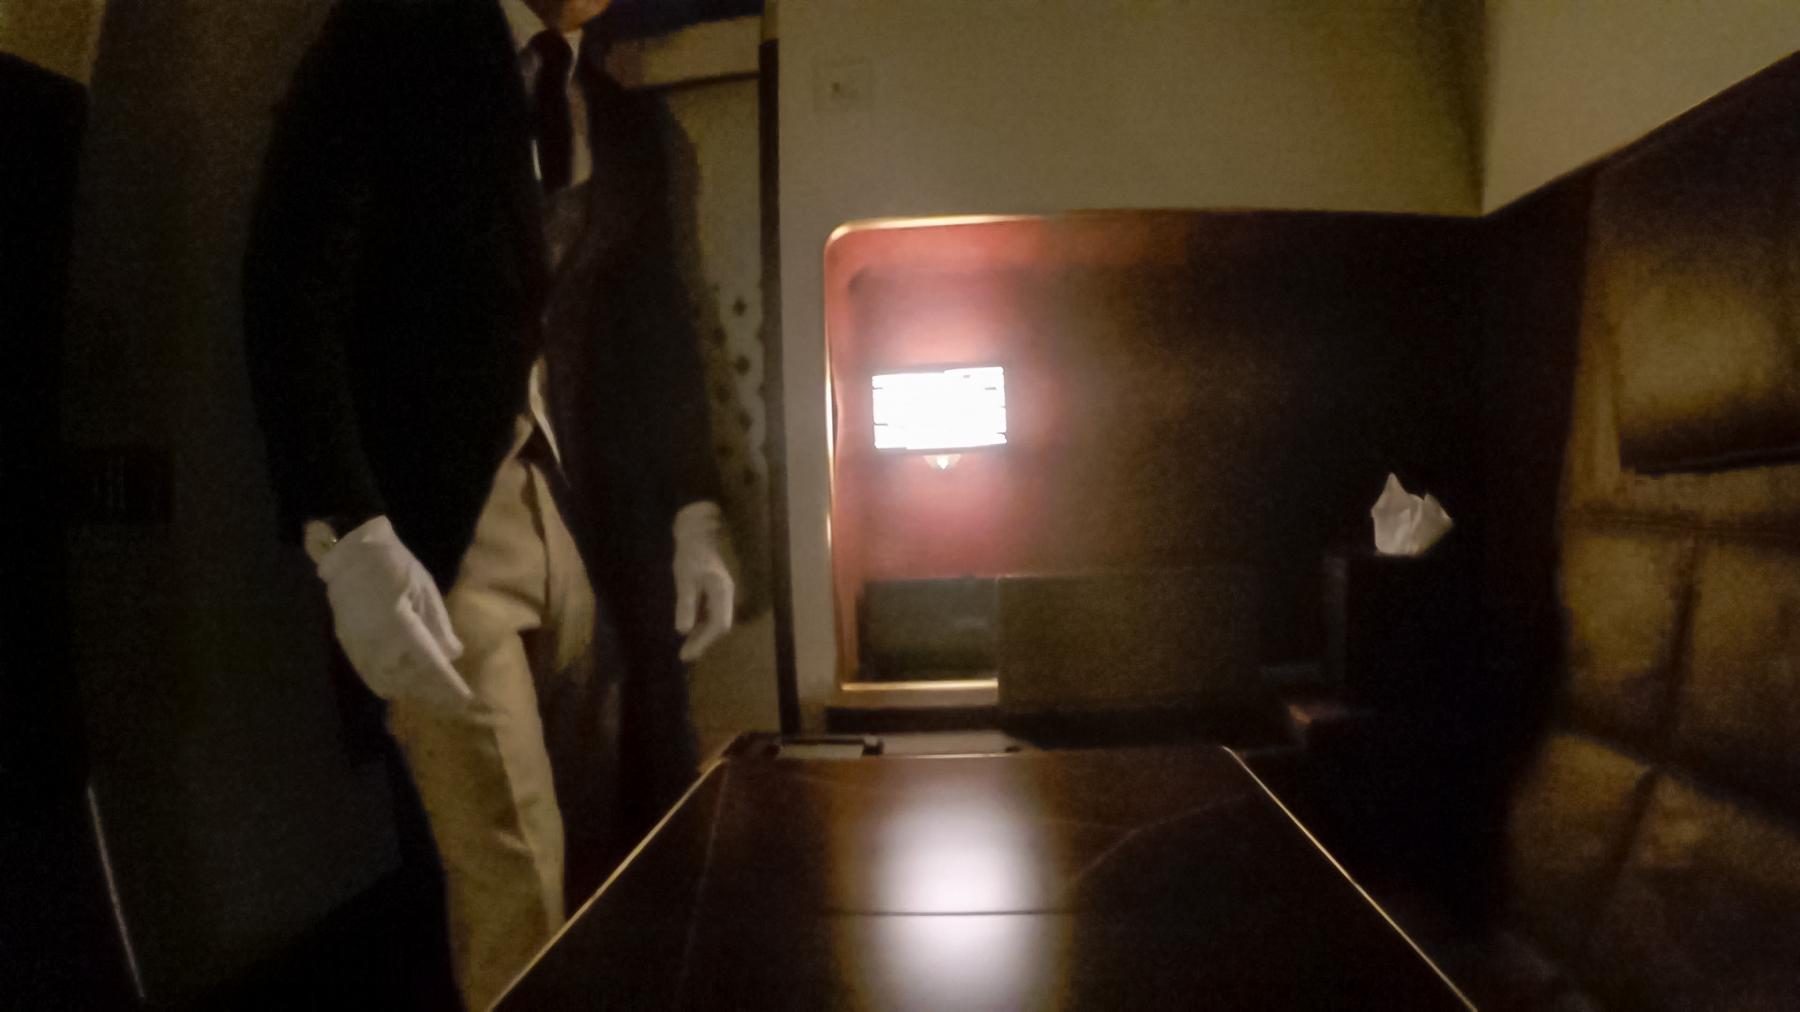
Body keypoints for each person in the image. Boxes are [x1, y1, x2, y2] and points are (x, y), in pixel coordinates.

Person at [242, 0, 734, 1005]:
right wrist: (349, 531)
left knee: (618, 851)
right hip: (442, 534)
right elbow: (291, 289)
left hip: (591, 529)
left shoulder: (622, 116)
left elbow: (656, 336)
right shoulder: (394, 45)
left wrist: (695, 507)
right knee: (512, 875)